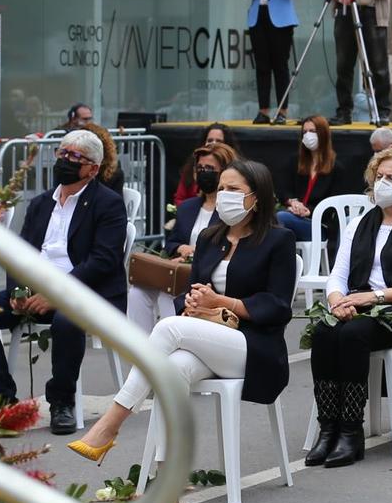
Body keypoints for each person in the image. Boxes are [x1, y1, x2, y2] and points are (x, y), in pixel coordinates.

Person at [67, 158, 297, 462]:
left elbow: (279, 307)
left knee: (168, 327)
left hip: (255, 348)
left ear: (256, 196)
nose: (224, 194)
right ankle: (169, 476)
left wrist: (221, 302)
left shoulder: (278, 240)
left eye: (233, 189)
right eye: (221, 188)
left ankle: (110, 423)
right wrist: (192, 302)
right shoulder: (210, 238)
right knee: (171, 370)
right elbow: (191, 290)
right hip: (210, 338)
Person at [306, 148, 392, 468]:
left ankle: (351, 432)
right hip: (355, 304)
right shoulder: (360, 224)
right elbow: (337, 275)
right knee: (325, 331)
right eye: (379, 177)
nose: (382, 183)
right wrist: (336, 301)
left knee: (354, 334)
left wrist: (375, 297)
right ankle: (328, 430)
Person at [0, 129, 129, 433]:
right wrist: (19, 290)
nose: (64, 160)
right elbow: (19, 252)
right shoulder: (40, 204)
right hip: (37, 290)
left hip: (86, 293)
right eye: (62, 153)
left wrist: (58, 294)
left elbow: (103, 261)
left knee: (67, 320)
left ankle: (62, 402)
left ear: (92, 168)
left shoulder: (108, 204)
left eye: (74, 157)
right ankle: (4, 403)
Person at [132, 141, 236, 333]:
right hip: (179, 267)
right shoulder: (188, 207)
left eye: (210, 168)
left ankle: (169, 350)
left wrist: (195, 256)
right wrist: (182, 250)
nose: (204, 172)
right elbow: (170, 242)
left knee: (168, 293)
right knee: (137, 293)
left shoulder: (230, 210)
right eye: (200, 168)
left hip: (205, 274)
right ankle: (139, 352)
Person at [241, 0, 302, 123]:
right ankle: (263, 110)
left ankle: (282, 111)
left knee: (280, 66)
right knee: (262, 66)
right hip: (259, 17)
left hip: (281, 21)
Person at [275, 116, 346, 243]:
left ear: (323, 133)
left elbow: (335, 205)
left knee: (280, 218)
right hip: (293, 216)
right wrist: (293, 203)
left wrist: (309, 211)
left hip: (319, 224)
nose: (308, 135)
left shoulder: (336, 168)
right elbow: (283, 189)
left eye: (312, 131)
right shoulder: (295, 162)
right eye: (305, 132)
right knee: (275, 219)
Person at [171, 125, 232, 204]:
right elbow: (180, 199)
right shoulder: (190, 170)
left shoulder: (236, 172)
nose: (213, 144)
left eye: (219, 141)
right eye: (210, 140)